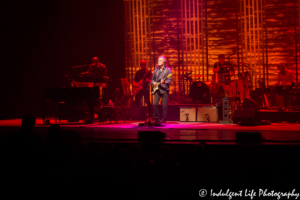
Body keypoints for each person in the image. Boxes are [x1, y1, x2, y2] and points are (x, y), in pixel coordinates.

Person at [151, 56, 172, 124]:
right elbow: (152, 79)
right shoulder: (156, 70)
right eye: (158, 60)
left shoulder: (168, 70)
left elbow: (170, 80)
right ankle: (157, 119)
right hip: (157, 90)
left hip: (165, 90)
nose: (158, 61)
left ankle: (163, 120)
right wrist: (153, 82)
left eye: (160, 60)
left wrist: (165, 82)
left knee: (164, 106)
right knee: (155, 105)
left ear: (164, 62)